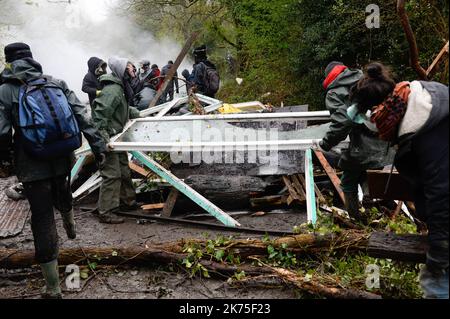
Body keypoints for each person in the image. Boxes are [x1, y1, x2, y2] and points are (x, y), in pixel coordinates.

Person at [0, 43, 108, 299]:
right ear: (32, 59)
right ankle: (70, 225)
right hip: (63, 155)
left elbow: (2, 132)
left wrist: (4, 161)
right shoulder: (56, 82)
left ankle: (53, 288)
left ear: (9, 63)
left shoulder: (5, 90)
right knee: (62, 190)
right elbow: (82, 114)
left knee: (43, 219)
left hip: (31, 163)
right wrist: (98, 145)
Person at [351, 62, 449, 299]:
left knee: (439, 287)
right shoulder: (420, 99)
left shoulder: (429, 135)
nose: (376, 133)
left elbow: (443, 199)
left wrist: (439, 259)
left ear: (378, 113)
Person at [316, 61, 395, 222]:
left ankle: (357, 221)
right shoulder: (364, 79)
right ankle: (377, 209)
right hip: (385, 139)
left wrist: (326, 143)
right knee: (370, 176)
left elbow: (343, 122)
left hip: (362, 146)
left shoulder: (335, 93)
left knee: (348, 181)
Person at [91, 56, 141, 225]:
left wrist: (137, 113)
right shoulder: (113, 89)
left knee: (124, 170)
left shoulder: (120, 88)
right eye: (128, 66)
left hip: (117, 137)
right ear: (121, 70)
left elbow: (122, 108)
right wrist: (104, 143)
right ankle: (105, 211)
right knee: (112, 175)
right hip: (109, 138)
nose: (132, 69)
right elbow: (99, 117)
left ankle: (128, 202)